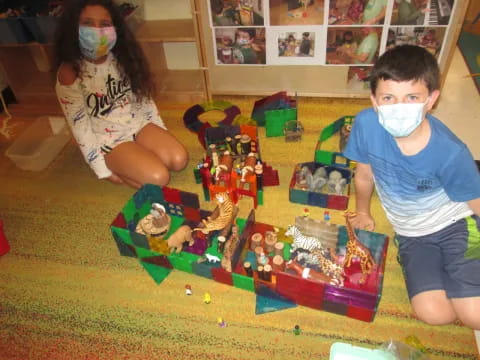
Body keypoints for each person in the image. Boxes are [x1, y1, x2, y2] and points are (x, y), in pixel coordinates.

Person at [344, 45, 480, 329]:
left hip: (456, 224)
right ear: (374, 100)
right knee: (436, 315)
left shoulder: (451, 152)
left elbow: (476, 202)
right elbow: (364, 175)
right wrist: (363, 211)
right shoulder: (366, 125)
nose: (399, 107)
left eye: (412, 97)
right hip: (411, 234)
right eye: (389, 97)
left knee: (475, 316)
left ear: (431, 100)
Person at [54, 0, 188, 189]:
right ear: (73, 28)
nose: (97, 31)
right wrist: (103, 171)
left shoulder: (122, 56)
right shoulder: (70, 72)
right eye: (88, 23)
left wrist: (159, 131)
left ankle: (136, 159)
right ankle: (123, 164)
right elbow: (80, 129)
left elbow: (143, 99)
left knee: (179, 159)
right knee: (159, 178)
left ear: (115, 28)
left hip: (137, 124)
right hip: (109, 140)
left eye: (105, 24)